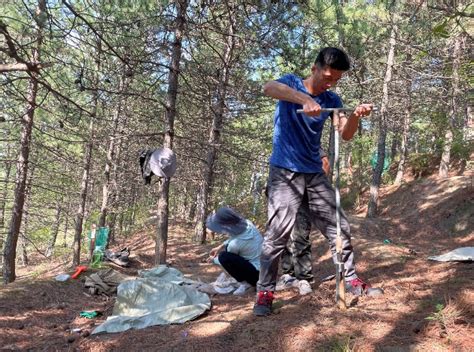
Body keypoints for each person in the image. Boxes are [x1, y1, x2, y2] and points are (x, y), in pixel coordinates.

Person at [254, 47, 383, 317]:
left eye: (336, 79)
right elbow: (268, 87)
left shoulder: (332, 98)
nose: (330, 83)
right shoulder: (290, 82)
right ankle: (265, 291)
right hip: (284, 170)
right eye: (327, 77)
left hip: (314, 172)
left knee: (339, 226)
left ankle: (350, 280)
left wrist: (357, 116)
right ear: (314, 68)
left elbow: (345, 134)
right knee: (277, 233)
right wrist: (303, 99)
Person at [277, 148, 331, 295]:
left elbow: (325, 164)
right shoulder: (285, 145)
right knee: (284, 236)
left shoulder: (310, 143)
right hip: (284, 197)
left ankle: (304, 278)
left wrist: (311, 188)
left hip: (302, 197)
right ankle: (288, 275)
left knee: (300, 236)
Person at [206, 207, 263, 295]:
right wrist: (220, 246)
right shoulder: (248, 224)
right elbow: (235, 237)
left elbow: (230, 261)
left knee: (224, 257)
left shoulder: (234, 245)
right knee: (226, 255)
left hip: (257, 275)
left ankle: (246, 284)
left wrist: (213, 260)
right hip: (266, 269)